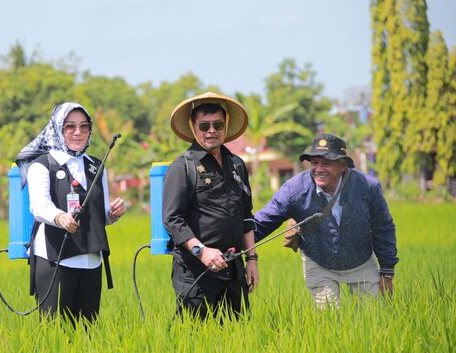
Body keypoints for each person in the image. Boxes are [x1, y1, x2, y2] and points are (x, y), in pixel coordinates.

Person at [254, 133, 398, 308]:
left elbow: (383, 228)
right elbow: (262, 222)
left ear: (343, 165)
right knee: (328, 317)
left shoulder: (368, 187)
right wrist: (231, 245)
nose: (319, 169)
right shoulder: (295, 190)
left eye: (327, 163)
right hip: (319, 261)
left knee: (371, 316)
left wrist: (387, 271)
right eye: (315, 162)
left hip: (360, 262)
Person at [16, 102, 125, 324]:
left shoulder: (96, 165)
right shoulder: (43, 165)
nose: (78, 132)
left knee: (87, 333)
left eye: (84, 126)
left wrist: (111, 214)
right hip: (56, 259)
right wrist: (60, 217)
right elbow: (38, 206)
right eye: (70, 126)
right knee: (54, 334)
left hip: (91, 259)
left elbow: (99, 213)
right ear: (57, 128)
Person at [163, 92, 258, 319]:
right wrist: (202, 251)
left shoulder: (237, 165)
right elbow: (172, 219)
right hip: (196, 272)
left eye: (217, 125)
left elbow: (246, 216)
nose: (211, 131)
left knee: (237, 340)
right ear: (194, 128)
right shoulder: (182, 167)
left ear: (225, 126)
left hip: (234, 270)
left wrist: (252, 260)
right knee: (196, 341)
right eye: (204, 126)